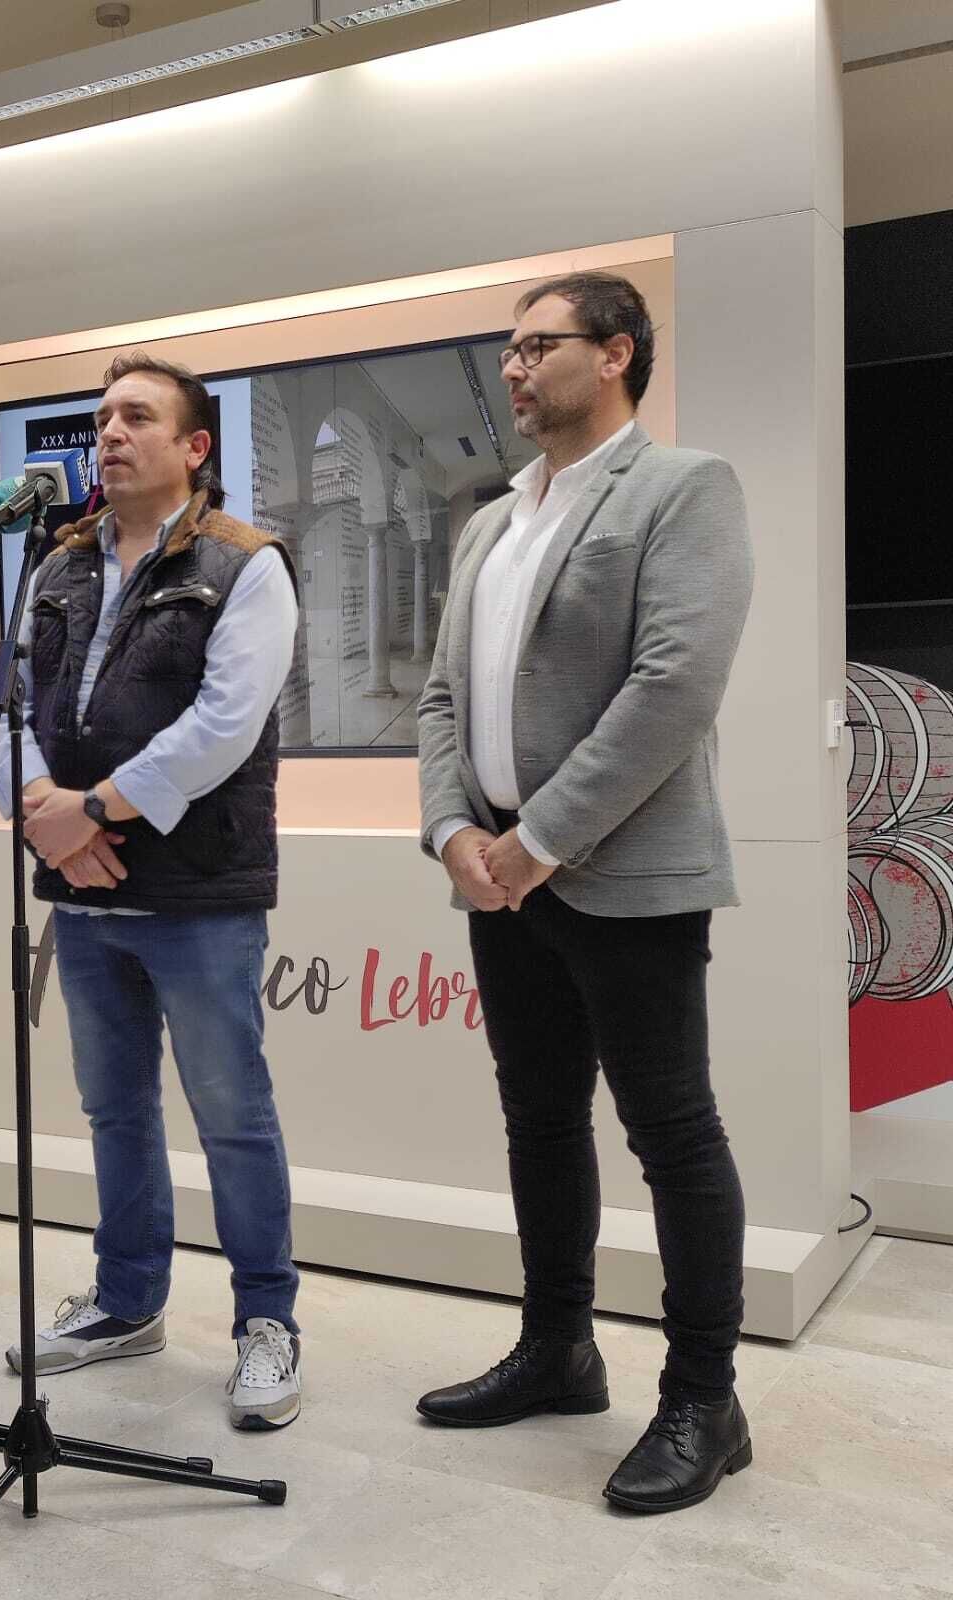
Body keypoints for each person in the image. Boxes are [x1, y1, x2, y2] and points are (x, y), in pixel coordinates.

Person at [414, 273, 755, 1512]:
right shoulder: (491, 523)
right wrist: (454, 828)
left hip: (622, 873)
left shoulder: (683, 487)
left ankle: (704, 1399)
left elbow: (675, 684)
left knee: (672, 1133)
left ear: (614, 353)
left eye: (535, 345)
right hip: (501, 876)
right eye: (507, 349)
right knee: (540, 1119)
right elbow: (441, 697)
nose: (512, 367)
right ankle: (557, 1348)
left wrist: (539, 839)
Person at [0, 352, 304, 1430]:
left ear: (194, 446)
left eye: (136, 417)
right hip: (83, 895)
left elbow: (224, 725)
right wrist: (47, 814)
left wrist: (92, 811)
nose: (109, 435)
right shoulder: (56, 564)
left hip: (197, 891)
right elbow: (6, 710)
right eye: (101, 419)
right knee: (113, 1107)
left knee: (232, 1114)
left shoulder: (245, 564)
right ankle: (127, 1301)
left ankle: (267, 1323)